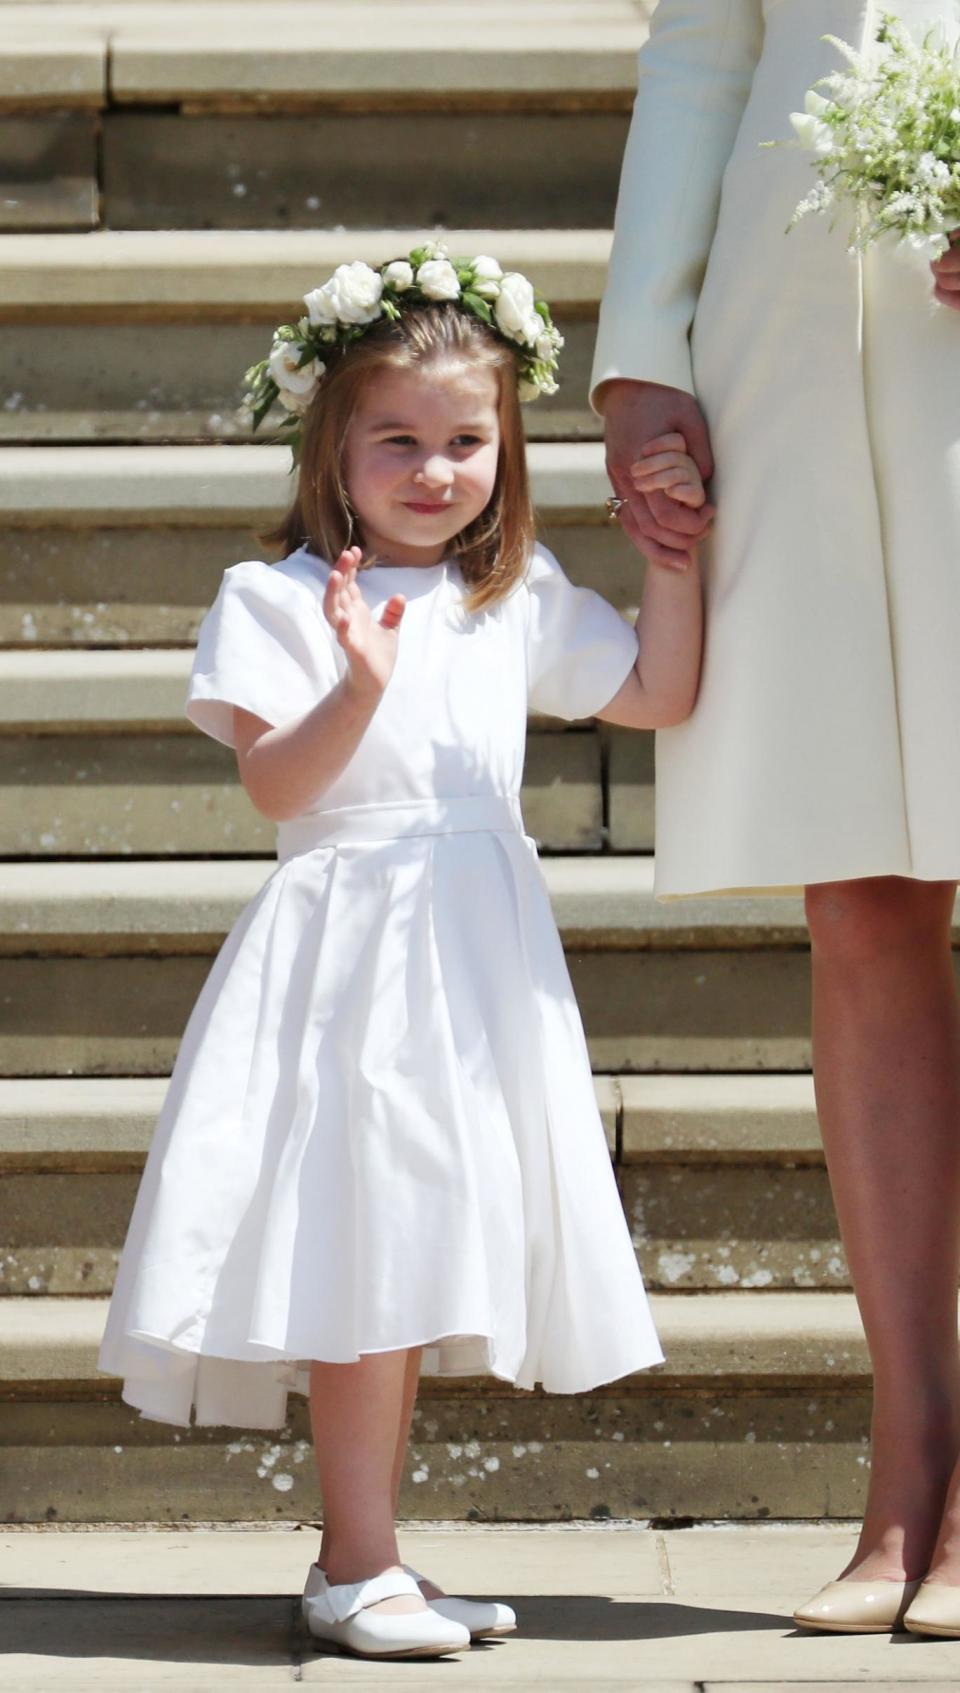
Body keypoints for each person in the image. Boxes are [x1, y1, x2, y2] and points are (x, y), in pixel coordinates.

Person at [99, 244, 706, 1661]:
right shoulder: (277, 601)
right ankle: (352, 1559)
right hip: (348, 957)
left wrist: (677, 556)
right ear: (336, 442)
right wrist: (356, 687)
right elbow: (278, 791)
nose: (435, 471)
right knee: (366, 1242)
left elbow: (662, 691)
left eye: (466, 440)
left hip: (473, 963)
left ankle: (370, 1554)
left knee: (425, 1234)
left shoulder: (518, 595)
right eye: (400, 441)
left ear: (506, 444)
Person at [592, 0, 960, 1639]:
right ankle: (909, 1463)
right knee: (861, 895)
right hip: (787, 360)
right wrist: (642, 356)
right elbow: (704, 50)